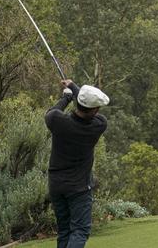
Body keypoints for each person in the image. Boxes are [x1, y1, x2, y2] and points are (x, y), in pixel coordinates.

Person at [45, 79, 109, 248]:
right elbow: (89, 108)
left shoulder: (58, 121)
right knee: (80, 231)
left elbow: (52, 112)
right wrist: (74, 88)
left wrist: (66, 97)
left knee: (64, 231)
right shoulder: (99, 125)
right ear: (95, 110)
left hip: (56, 185)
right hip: (79, 188)